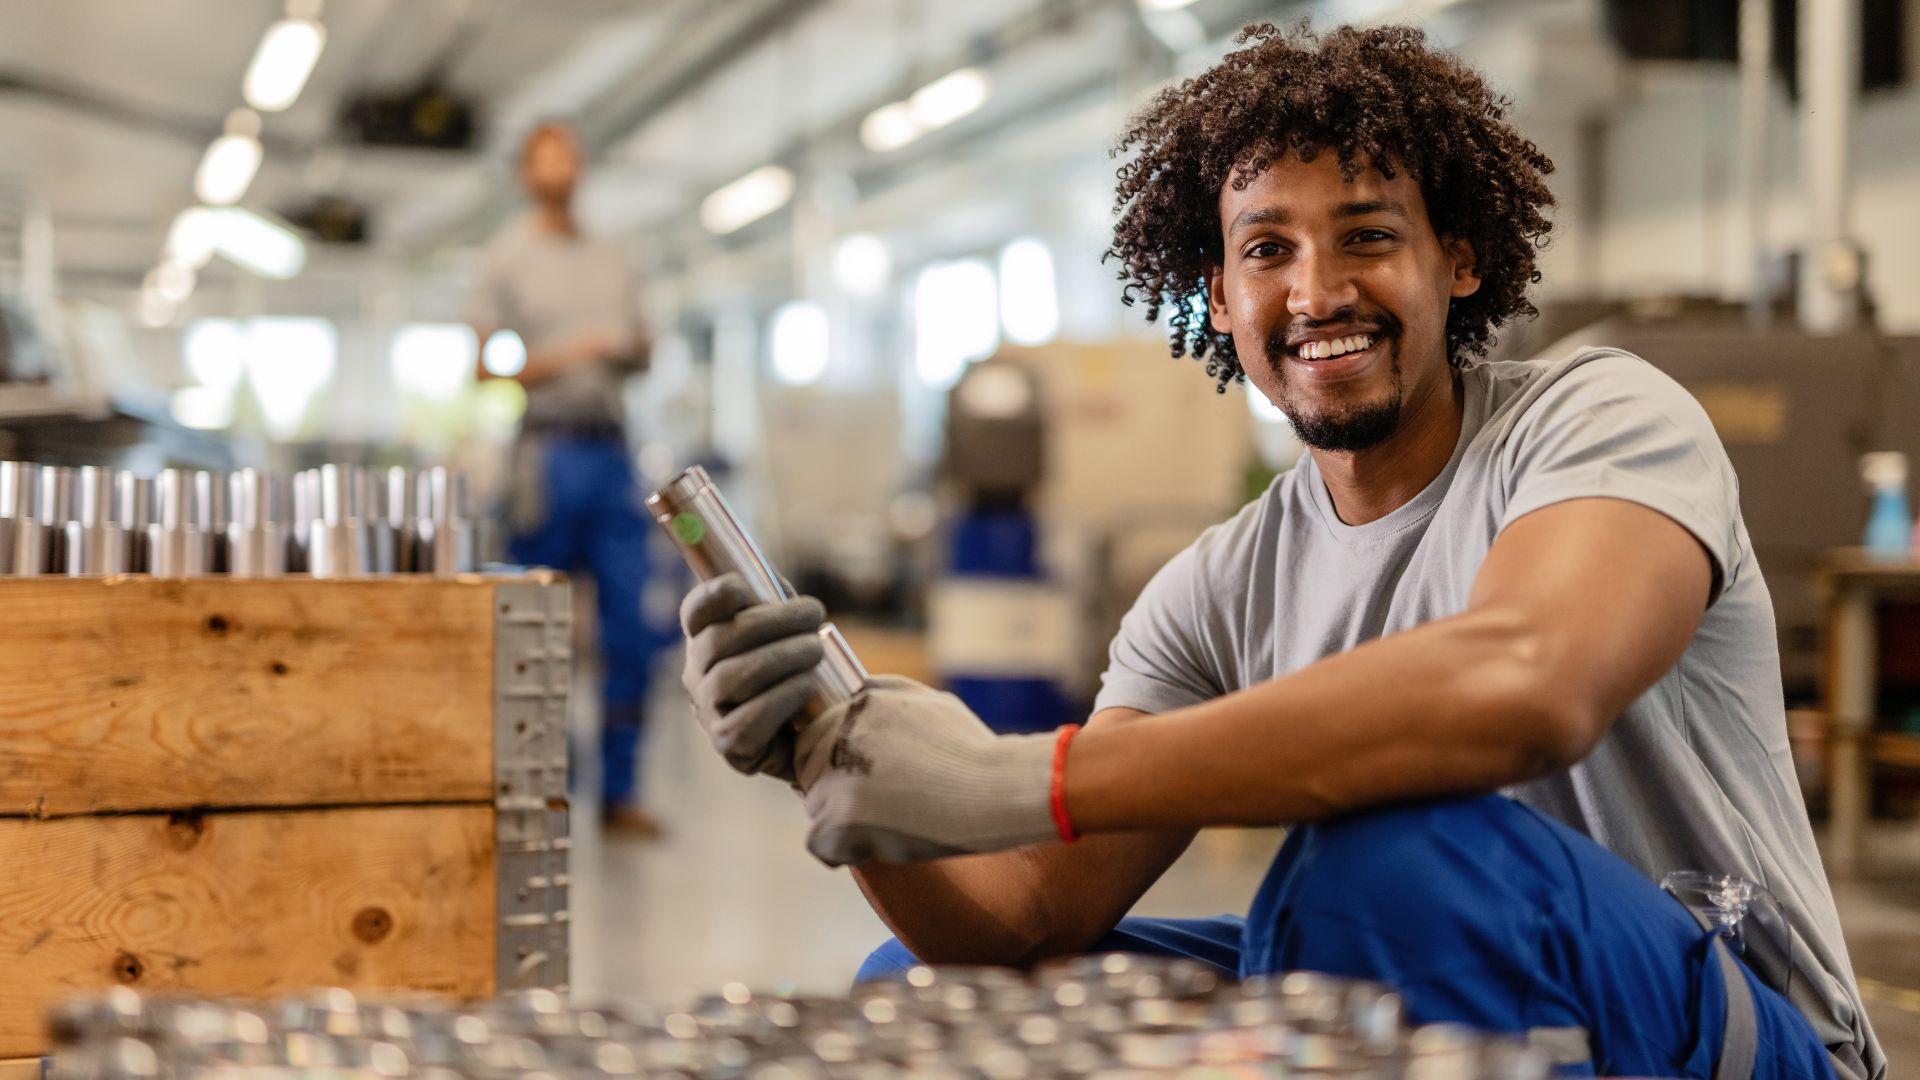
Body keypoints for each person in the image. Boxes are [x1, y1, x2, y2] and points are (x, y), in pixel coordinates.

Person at [676, 23, 1882, 1079]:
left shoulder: (1599, 417)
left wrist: (1024, 779)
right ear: (1217, 294)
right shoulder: (1215, 589)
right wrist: (843, 770)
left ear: (1457, 260)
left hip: (1738, 1032)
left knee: (1387, 868)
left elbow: (1529, 683)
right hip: (1476, 991)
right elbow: (1021, 920)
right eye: (1267, 250)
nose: (1318, 291)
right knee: (935, 994)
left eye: (1367, 235)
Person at [470, 119, 664, 838]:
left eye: (569, 154)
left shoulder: (615, 255)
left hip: (612, 453)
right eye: (544, 156)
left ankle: (621, 793)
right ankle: (542, 787)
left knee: (629, 631)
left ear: (581, 167)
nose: (560, 166)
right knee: (535, 632)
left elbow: (645, 346)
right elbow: (486, 366)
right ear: (526, 172)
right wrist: (571, 353)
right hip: (545, 458)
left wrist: (627, 348)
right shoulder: (506, 256)